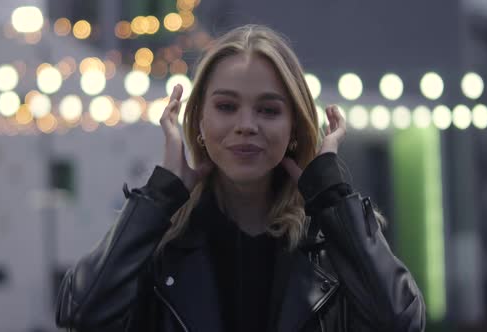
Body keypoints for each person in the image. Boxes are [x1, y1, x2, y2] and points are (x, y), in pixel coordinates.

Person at [55, 24, 425, 332]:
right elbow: (82, 315)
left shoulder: (333, 244)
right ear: (199, 121)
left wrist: (329, 195)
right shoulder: (161, 243)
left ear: (294, 125)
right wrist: (160, 195)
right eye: (226, 107)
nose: (246, 126)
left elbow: (401, 322)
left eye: (268, 110)